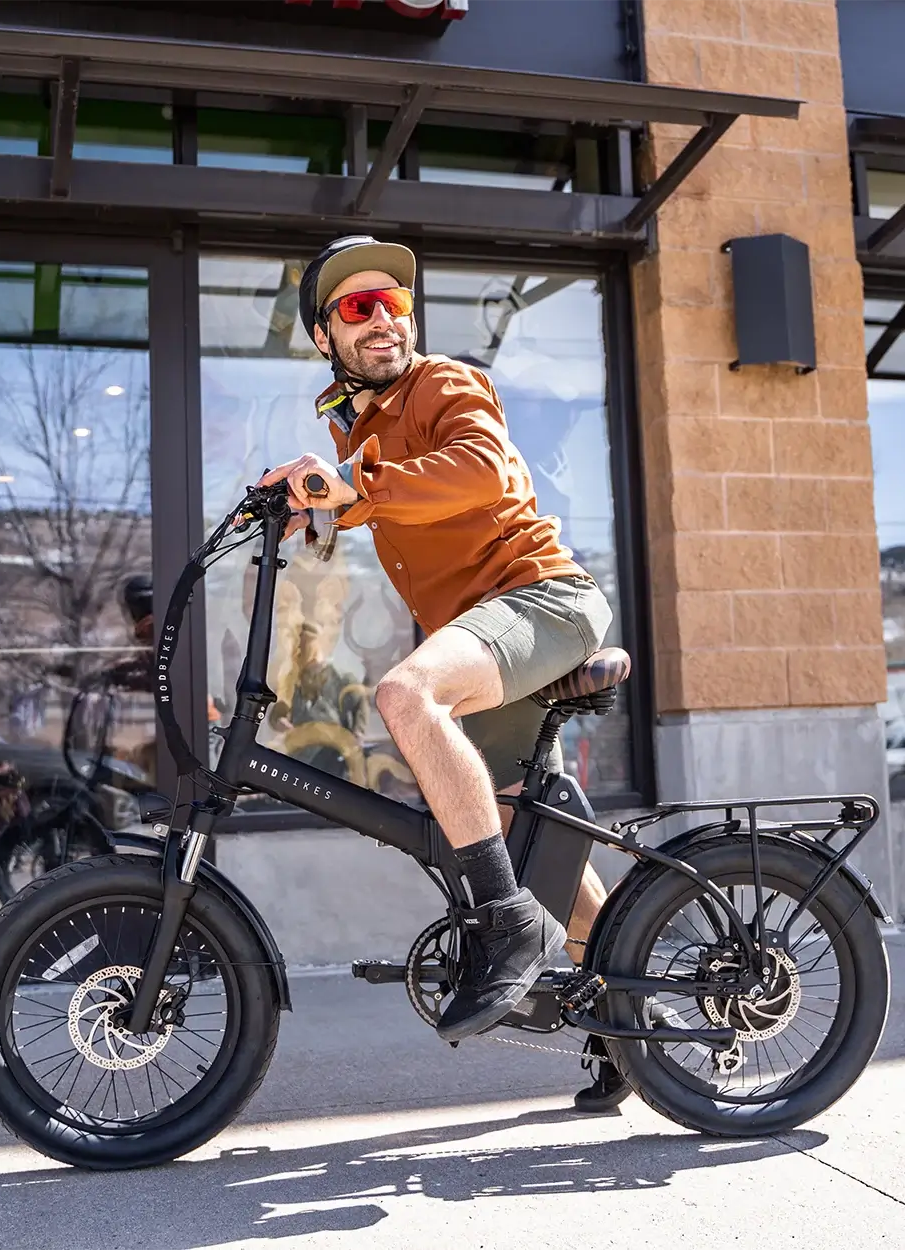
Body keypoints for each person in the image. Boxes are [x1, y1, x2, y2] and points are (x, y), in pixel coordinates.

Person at [259, 235, 628, 1110]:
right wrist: (281, 506)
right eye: (358, 308)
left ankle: (505, 930)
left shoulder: (445, 385)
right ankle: (626, 1024)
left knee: (403, 693)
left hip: (541, 599)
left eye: (392, 301)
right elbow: (356, 496)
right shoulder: (363, 428)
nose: (383, 316)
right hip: (482, 630)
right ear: (325, 337)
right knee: (524, 844)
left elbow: (477, 469)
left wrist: (353, 489)